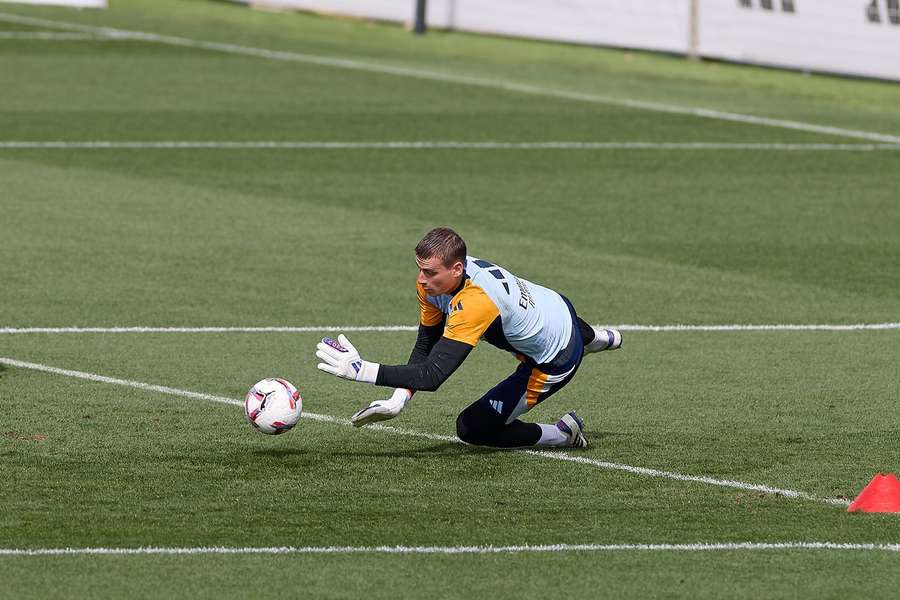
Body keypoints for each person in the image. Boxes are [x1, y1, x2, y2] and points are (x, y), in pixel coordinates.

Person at [315, 227, 621, 449]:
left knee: (472, 428)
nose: (422, 280)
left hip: (555, 358)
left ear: (457, 268)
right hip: (555, 304)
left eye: (430, 272)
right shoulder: (440, 281)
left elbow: (433, 374)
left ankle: (563, 434)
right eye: (420, 269)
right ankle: (598, 338)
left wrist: (362, 371)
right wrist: (399, 399)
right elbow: (427, 343)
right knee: (526, 327)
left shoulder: (475, 303)